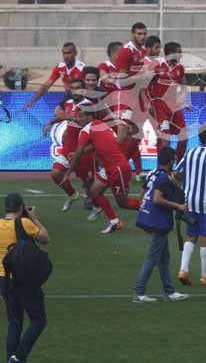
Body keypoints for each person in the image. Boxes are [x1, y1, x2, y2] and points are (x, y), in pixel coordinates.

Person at [67, 102, 141, 233]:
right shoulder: (100, 124)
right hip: (109, 168)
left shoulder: (87, 130)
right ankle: (114, 222)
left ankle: (152, 210)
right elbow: (93, 147)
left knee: (122, 203)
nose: (80, 119)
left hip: (117, 168)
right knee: (94, 191)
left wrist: (67, 173)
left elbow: (78, 153)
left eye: (82, 116)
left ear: (90, 117)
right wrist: (80, 153)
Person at [132, 147, 190, 303]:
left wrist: (145, 219)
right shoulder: (164, 178)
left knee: (164, 259)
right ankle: (139, 292)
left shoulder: (151, 173)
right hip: (159, 221)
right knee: (152, 258)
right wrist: (178, 206)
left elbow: (142, 195)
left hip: (152, 220)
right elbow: (157, 199)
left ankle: (169, 291)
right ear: (171, 161)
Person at [1, 192, 50, 362]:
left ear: (5, 207)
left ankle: (11, 358)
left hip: (3, 279)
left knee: (14, 323)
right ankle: (19, 357)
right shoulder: (24, 223)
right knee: (38, 320)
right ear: (21, 208)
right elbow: (45, 238)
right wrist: (34, 217)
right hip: (23, 278)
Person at [175, 126, 206, 286]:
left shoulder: (190, 153)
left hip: (189, 201)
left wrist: (188, 183)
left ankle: (183, 269)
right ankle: (205, 276)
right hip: (205, 202)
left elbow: (176, 173)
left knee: (192, 235)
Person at [43, 78, 94, 211]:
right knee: (55, 173)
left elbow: (86, 124)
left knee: (89, 182)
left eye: (77, 88)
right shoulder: (68, 102)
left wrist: (70, 117)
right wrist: (50, 123)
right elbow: (63, 117)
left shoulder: (88, 105)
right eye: (72, 88)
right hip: (68, 148)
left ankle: (91, 200)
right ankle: (72, 194)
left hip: (83, 149)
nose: (74, 91)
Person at [148, 42, 193, 163]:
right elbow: (144, 84)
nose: (181, 55)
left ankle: (179, 167)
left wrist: (182, 98)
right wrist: (147, 102)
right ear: (171, 53)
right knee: (165, 139)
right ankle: (163, 170)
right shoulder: (157, 65)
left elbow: (184, 85)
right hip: (159, 104)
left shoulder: (179, 68)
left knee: (184, 137)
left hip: (173, 105)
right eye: (179, 52)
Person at [116, 23, 150, 179]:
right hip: (126, 97)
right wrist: (141, 77)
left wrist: (145, 99)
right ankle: (110, 164)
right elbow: (122, 81)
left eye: (144, 34)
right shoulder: (126, 52)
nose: (142, 36)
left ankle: (122, 164)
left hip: (137, 98)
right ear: (132, 35)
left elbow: (141, 82)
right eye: (139, 34)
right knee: (122, 134)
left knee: (137, 134)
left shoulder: (143, 51)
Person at [23, 42, 86, 109]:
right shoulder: (60, 67)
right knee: (58, 112)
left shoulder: (82, 68)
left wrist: (75, 87)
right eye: (64, 53)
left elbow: (90, 88)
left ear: (75, 54)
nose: (66, 56)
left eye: (69, 53)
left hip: (82, 98)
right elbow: (46, 85)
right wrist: (33, 101)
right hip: (69, 97)